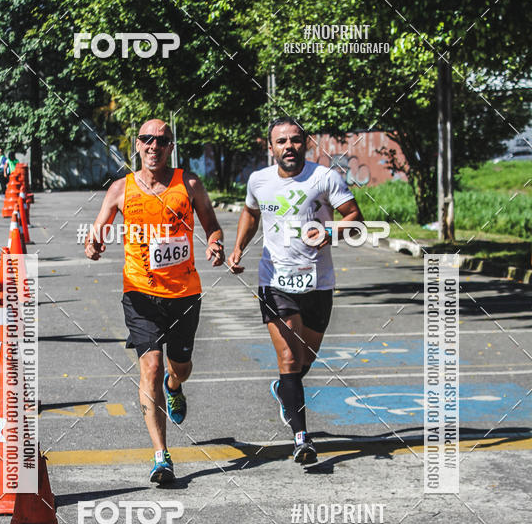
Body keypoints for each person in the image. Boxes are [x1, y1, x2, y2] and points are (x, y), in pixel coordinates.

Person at [84, 118, 224, 484]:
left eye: (161, 140)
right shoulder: (120, 189)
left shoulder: (189, 184)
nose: (153, 145)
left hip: (183, 293)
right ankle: (162, 455)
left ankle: (175, 388)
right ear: (137, 145)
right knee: (151, 367)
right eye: (146, 139)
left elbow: (212, 224)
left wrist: (214, 242)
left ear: (170, 146)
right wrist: (93, 243)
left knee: (179, 367)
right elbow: (98, 228)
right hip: (139, 292)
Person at [227, 116, 363, 465]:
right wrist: (239, 247)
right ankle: (302, 438)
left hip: (318, 283)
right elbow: (250, 212)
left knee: (304, 361)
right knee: (288, 358)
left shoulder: (324, 178)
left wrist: (329, 232)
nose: (289, 146)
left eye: (295, 140)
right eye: (281, 141)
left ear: (306, 143)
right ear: (270, 147)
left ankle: (284, 391)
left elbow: (354, 218)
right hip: (275, 282)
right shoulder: (259, 180)